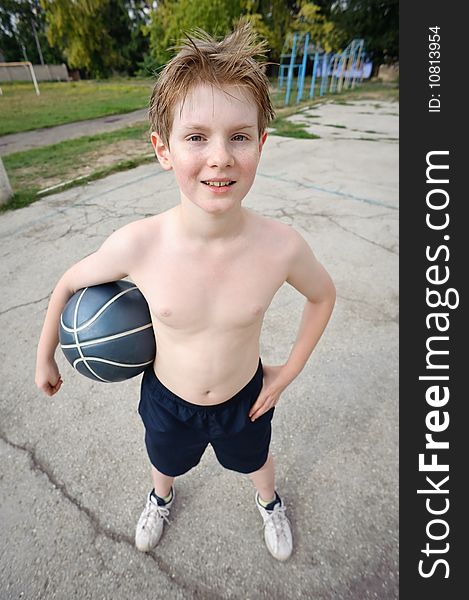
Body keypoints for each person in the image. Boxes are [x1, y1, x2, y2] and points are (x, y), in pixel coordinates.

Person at [35, 23, 336, 562]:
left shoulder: (281, 247)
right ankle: (160, 496)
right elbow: (67, 282)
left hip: (245, 397)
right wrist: (45, 356)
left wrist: (288, 372)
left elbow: (323, 296)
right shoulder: (140, 243)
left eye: (239, 136)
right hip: (167, 399)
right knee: (165, 458)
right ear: (163, 149)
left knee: (256, 460)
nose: (220, 156)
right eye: (196, 136)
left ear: (261, 145)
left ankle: (269, 503)